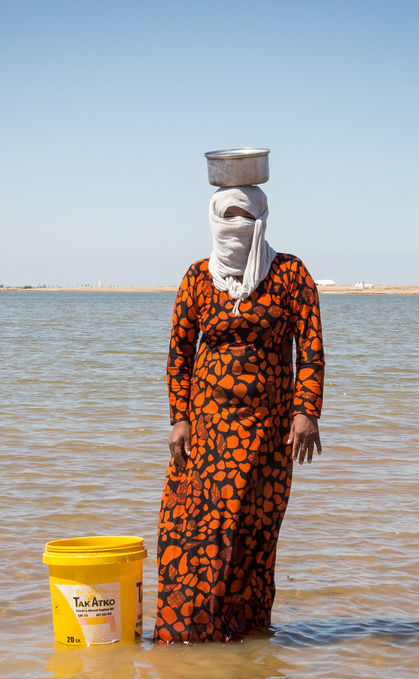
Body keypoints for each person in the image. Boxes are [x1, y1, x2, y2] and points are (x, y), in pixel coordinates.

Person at [153, 185, 324, 643]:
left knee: (254, 532)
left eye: (243, 219)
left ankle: (243, 634)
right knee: (197, 528)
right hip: (208, 430)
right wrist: (179, 418)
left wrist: (307, 412)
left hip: (269, 432)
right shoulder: (197, 277)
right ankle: (189, 637)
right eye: (226, 219)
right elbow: (179, 355)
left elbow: (310, 348)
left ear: (261, 220)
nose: (236, 229)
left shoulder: (289, 273)